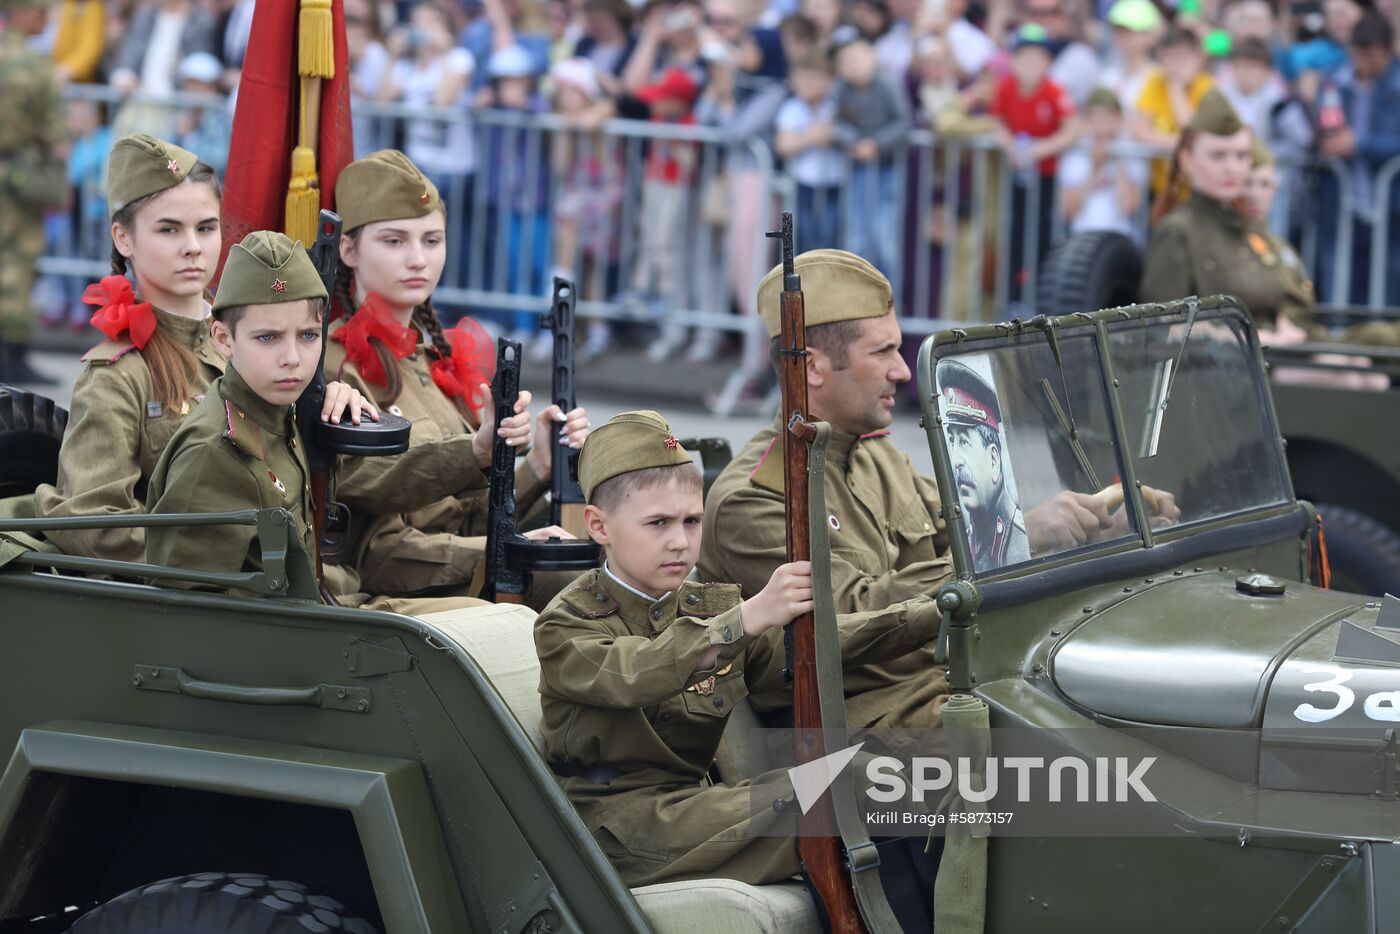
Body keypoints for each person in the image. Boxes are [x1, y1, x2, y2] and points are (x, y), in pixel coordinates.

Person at [535, 408, 944, 890]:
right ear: (599, 526)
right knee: (845, 789)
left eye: (691, 521)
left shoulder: (703, 605)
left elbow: (808, 649)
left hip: (699, 804)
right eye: (658, 523)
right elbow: (636, 673)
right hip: (619, 832)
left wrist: (933, 612)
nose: (680, 542)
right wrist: (746, 618)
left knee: (887, 774)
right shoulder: (565, 625)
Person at [33, 135, 371, 565]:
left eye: (206, 228)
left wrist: (331, 416)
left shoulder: (266, 335)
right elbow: (92, 521)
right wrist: (223, 560)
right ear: (123, 238)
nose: (193, 245)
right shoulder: (119, 374)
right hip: (209, 601)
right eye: (169, 229)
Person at [144, 230, 480, 613]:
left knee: (499, 624)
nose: (292, 358)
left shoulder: (286, 413)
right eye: (268, 337)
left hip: (327, 608)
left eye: (307, 335)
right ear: (223, 338)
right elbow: (183, 607)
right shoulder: (214, 451)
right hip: (288, 640)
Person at [699, 249, 955, 730]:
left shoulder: (876, 453)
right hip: (861, 729)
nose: (901, 370)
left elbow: (954, 530)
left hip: (937, 685)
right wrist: (985, 561)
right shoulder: (754, 500)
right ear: (812, 368)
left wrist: (1059, 526)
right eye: (882, 352)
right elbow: (849, 613)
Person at [326, 149, 590, 606]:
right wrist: (510, 549)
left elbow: (466, 518)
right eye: (394, 241)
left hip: (456, 569)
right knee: (589, 583)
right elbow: (381, 547)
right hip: (396, 591)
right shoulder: (334, 369)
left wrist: (539, 467)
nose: (417, 259)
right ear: (347, 248)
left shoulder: (435, 362)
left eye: (432, 240)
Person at [1141, 89, 1313, 332]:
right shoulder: (1177, 233)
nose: (1232, 168)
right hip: (1231, 364)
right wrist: (1257, 342)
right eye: (1218, 156)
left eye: (1242, 156)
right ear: (1187, 160)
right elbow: (1164, 331)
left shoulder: (1247, 225)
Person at [0, 0, 67, 385]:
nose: (47, 18)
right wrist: (59, 183)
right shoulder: (36, 68)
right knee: (18, 266)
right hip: (22, 179)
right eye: (42, 10)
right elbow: (54, 135)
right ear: (21, 12)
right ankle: (14, 358)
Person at [990, 24, 1077, 307]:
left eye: (1037, 58)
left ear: (1047, 62)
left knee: (1043, 234)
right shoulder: (1006, 88)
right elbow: (997, 122)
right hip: (1018, 174)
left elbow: (1071, 129)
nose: (1029, 65)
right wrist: (1010, 146)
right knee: (1015, 231)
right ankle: (1013, 297)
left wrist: (1041, 149)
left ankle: (1042, 298)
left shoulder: (1053, 91)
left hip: (1046, 176)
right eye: (1023, 57)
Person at [831, 25, 909, 278]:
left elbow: (904, 123)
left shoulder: (887, 84)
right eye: (845, 60)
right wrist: (852, 141)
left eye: (856, 59)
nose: (851, 65)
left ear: (871, 58)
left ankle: (889, 298)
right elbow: (836, 121)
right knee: (855, 236)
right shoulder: (842, 87)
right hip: (857, 166)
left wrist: (875, 144)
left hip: (886, 166)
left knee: (884, 236)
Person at [940, 360, 1030, 572]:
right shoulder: (972, 538)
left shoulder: (1019, 545)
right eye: (952, 441)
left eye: (964, 441)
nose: (956, 460)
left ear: (993, 459)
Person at [774, 51, 842, 254]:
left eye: (814, 79)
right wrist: (813, 137)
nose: (807, 85)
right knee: (802, 239)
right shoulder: (791, 108)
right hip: (803, 184)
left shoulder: (835, 108)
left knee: (829, 240)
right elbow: (784, 145)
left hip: (833, 183)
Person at [1133, 27, 1213, 197]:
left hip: (1197, 188)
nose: (1176, 64)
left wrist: (1176, 89)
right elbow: (1140, 131)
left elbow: (1191, 131)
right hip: (1161, 188)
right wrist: (1180, 144)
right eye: (1169, 57)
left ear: (1197, 57)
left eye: (1182, 57)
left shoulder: (1208, 87)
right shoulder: (1155, 82)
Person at [1058, 87, 1147, 239]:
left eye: (1107, 118)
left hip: (1118, 238)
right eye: (1096, 119)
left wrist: (1116, 157)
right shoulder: (1076, 152)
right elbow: (1069, 209)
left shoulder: (1131, 152)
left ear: (1118, 119)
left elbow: (1128, 207)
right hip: (1081, 235)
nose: (1101, 125)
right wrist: (1094, 168)